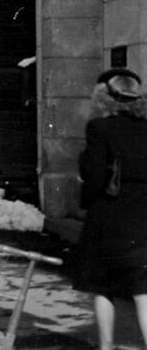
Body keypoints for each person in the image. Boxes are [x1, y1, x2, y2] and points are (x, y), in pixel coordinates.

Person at [73, 67, 147, 350]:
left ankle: (106, 347)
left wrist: (85, 201)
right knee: (143, 288)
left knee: (102, 285)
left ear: (108, 98)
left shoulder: (100, 127)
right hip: (144, 217)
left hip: (110, 216)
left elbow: (93, 178)